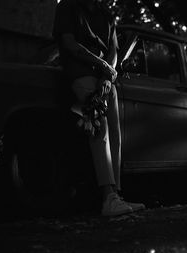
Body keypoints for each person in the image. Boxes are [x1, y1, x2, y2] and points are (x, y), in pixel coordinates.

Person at [52, 0, 145, 216]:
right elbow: (69, 43)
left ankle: (116, 196)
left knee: (114, 134)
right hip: (82, 75)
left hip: (105, 80)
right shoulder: (67, 7)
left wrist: (106, 75)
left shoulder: (107, 14)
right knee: (99, 129)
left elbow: (113, 50)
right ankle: (108, 198)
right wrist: (103, 66)